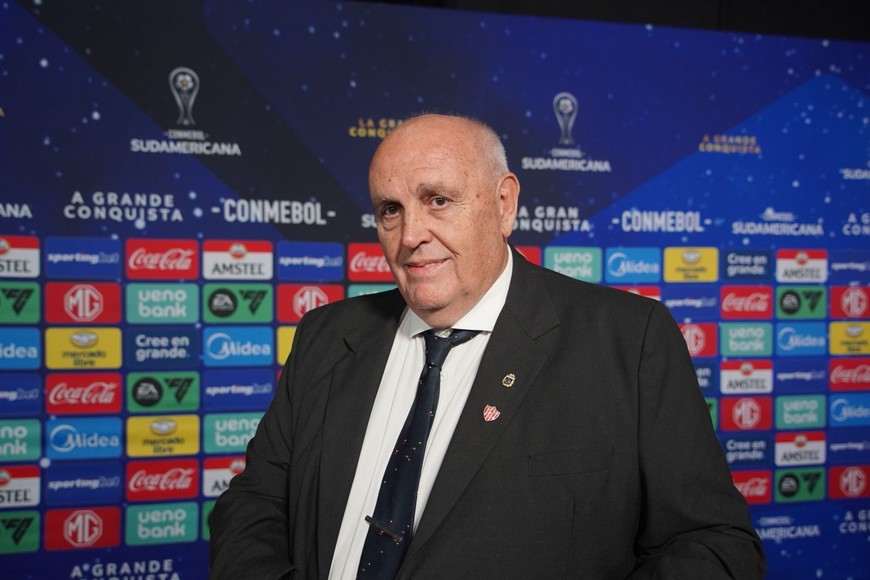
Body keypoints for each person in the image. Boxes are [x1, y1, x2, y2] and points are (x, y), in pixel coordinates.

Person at [209, 114, 766, 579]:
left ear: (504, 204)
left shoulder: (627, 339)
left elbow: (716, 545)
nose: (410, 236)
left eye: (438, 200)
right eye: (390, 210)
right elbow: (253, 506)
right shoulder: (326, 336)